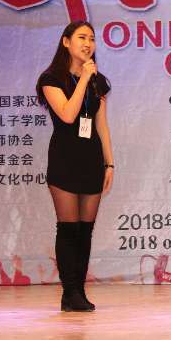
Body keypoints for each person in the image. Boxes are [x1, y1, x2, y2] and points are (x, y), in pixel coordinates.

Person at [36, 21, 114, 312]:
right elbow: (68, 115)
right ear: (66, 42)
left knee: (85, 230)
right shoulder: (51, 79)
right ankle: (69, 292)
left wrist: (109, 163)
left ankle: (79, 291)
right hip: (64, 159)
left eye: (92, 39)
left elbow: (101, 125)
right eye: (81, 38)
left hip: (91, 158)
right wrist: (83, 78)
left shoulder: (98, 81)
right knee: (68, 228)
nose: (88, 44)